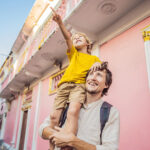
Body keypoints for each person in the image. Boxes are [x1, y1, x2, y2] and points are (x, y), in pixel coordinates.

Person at [49, 7, 102, 150]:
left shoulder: (94, 58)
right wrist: (60, 22)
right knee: (54, 117)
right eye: (75, 37)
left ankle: (68, 143)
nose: (76, 37)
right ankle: (51, 147)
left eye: (80, 37)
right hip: (64, 86)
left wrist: (98, 63)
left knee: (73, 112)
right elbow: (67, 37)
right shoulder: (74, 54)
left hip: (79, 86)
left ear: (88, 43)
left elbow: (99, 72)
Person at [39, 62, 120, 150]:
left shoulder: (110, 112)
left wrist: (72, 141)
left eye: (99, 75)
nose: (93, 78)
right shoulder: (69, 103)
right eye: (91, 74)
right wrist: (59, 136)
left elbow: (110, 148)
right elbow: (42, 128)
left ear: (106, 84)